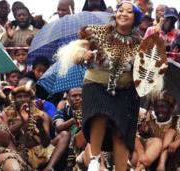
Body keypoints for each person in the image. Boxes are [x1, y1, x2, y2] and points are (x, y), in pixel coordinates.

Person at [56, 1, 144, 170]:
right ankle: (95, 159)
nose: (123, 14)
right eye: (120, 10)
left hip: (124, 91)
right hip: (96, 86)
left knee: (121, 133)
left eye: (129, 12)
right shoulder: (99, 32)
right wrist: (84, 54)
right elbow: (75, 53)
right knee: (100, 114)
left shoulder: (140, 44)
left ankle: (120, 168)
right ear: (115, 14)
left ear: (135, 18)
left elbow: (146, 70)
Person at [0, 82, 69, 171]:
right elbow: (4, 137)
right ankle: (22, 164)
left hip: (40, 149)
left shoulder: (41, 114)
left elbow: (45, 143)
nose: (23, 99)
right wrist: (22, 121)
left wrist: (40, 127)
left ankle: (49, 167)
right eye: (19, 96)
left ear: (30, 98)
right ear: (14, 99)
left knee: (65, 134)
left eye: (25, 96)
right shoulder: (5, 113)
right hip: (17, 150)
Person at [132, 91, 180, 171]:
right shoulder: (148, 122)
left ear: (171, 108)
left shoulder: (177, 120)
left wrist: (176, 142)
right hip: (151, 160)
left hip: (171, 159)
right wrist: (145, 132)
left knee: (172, 132)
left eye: (163, 107)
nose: (160, 110)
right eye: (157, 107)